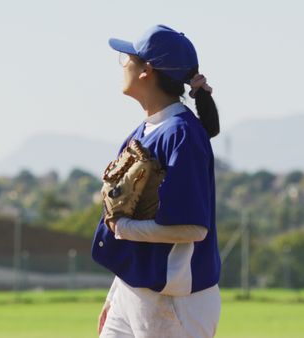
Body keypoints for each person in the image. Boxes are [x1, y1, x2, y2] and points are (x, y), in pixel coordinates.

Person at [92, 25, 221, 338]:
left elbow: (193, 228)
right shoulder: (145, 131)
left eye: (127, 58)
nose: (123, 65)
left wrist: (124, 229)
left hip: (176, 298)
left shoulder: (183, 135)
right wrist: (115, 295)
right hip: (135, 289)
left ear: (146, 71)